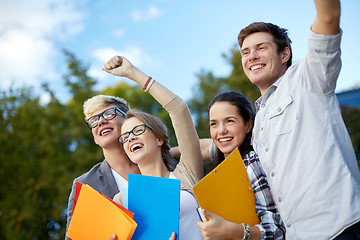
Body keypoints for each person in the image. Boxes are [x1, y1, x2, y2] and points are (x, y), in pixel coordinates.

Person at [237, 0, 360, 239]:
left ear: (285, 54)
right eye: (245, 52)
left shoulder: (307, 79)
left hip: (340, 230)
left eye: (261, 48)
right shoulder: (258, 120)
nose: (251, 56)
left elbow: (328, 17)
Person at [104, 55, 204, 240]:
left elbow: (179, 109)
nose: (130, 137)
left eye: (137, 130)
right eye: (124, 137)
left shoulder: (187, 172)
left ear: (159, 139)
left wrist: (132, 73)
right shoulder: (122, 200)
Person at [196, 91, 285, 240]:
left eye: (230, 121)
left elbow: (277, 230)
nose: (221, 131)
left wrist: (236, 231)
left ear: (248, 124)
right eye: (214, 124)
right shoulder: (215, 172)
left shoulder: (252, 165)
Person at [64, 94, 141, 239]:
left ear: (129, 121)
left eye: (109, 113)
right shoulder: (85, 185)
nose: (100, 121)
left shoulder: (163, 162)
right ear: (94, 137)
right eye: (93, 120)